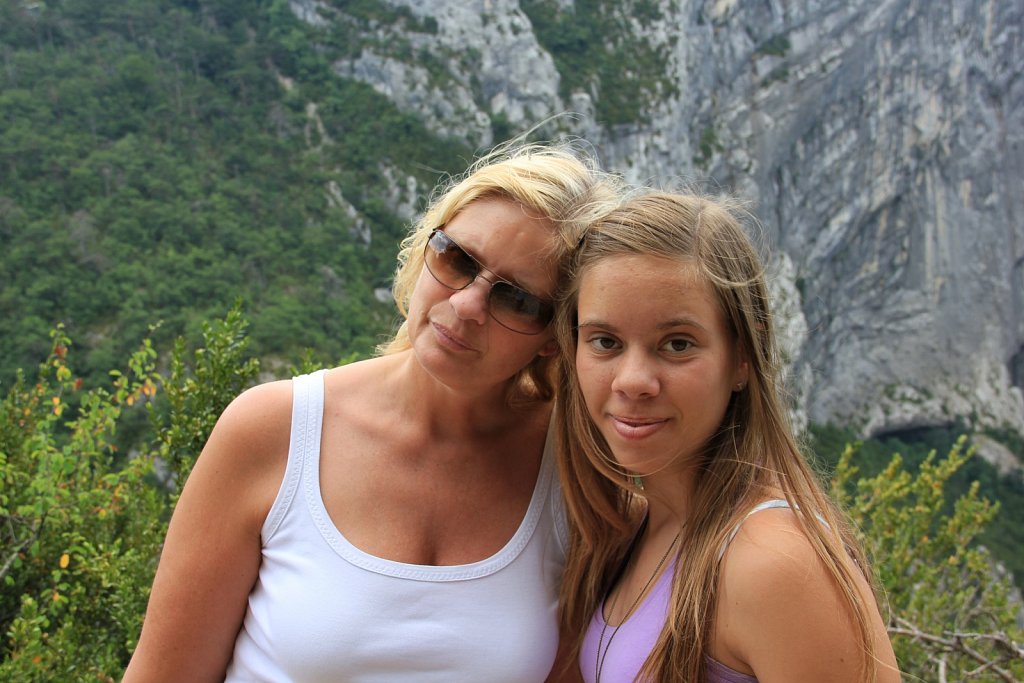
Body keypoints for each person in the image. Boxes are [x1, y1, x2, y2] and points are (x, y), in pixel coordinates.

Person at [123, 140, 622, 682]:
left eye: (517, 299)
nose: (466, 306)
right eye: (457, 259)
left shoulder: (576, 476)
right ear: (425, 247)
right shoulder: (275, 432)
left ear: (555, 338)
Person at [552, 191, 900, 682]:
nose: (632, 381)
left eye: (677, 345)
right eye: (605, 342)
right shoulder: (636, 526)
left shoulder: (776, 564)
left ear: (741, 357)